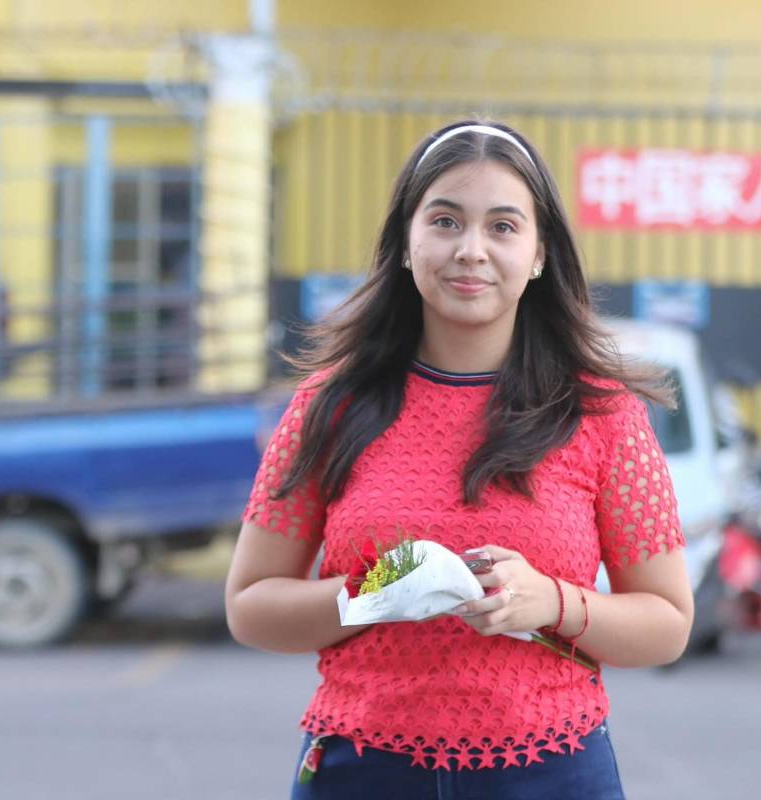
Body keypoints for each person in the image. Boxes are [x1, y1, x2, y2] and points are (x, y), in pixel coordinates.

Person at [225, 120, 694, 799]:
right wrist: (370, 593)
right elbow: (249, 606)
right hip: (362, 770)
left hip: (551, 774)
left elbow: (668, 624)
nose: (471, 250)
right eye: (445, 221)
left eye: (502, 227)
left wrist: (553, 602)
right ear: (406, 243)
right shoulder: (329, 403)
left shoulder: (602, 413)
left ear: (539, 253)